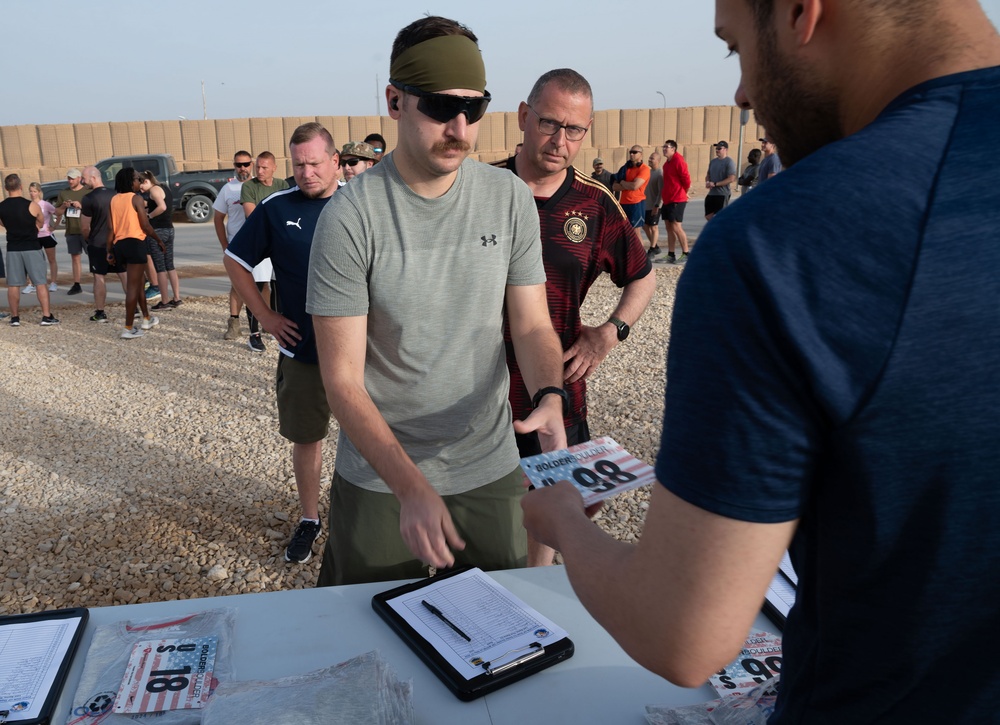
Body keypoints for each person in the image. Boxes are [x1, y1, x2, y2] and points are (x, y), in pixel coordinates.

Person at [521, 1, 1000, 722]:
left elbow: (683, 633)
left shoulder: (783, 244)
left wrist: (565, 521)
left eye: (734, 47)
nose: (742, 92)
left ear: (804, 13)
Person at [307, 15, 567, 586]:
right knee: (366, 633)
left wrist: (550, 394)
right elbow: (343, 381)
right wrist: (412, 489)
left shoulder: (509, 199)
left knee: (508, 630)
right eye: (439, 106)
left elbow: (530, 325)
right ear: (395, 101)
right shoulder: (350, 218)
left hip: (486, 461)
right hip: (382, 474)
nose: (458, 127)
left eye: (473, 109)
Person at [502, 68, 655, 566]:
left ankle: (534, 592)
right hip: (474, 388)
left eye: (574, 130)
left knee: (553, 508)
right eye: (549, 123)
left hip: (552, 386)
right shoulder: (480, 190)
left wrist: (610, 333)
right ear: (524, 117)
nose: (559, 140)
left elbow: (643, 276)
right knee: (482, 513)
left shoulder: (595, 204)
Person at [225, 122, 341, 564]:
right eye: (298, 165)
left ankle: (366, 515)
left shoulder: (363, 204)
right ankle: (309, 519)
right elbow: (235, 261)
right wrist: (267, 317)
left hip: (365, 354)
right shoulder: (277, 207)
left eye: (315, 163)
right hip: (303, 351)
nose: (307, 172)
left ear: (333, 161)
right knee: (307, 437)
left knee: (373, 437)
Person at [238, 151, 288, 350]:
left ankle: (278, 329)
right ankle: (254, 334)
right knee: (257, 288)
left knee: (278, 288)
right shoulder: (248, 187)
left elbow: (288, 212)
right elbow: (253, 216)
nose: (259, 170)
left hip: (280, 245)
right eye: (257, 166)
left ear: (274, 168)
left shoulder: (282, 185)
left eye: (264, 167)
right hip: (259, 246)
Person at [109, 168, 162, 339]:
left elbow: (111, 229)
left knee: (139, 283)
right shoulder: (136, 199)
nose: (139, 182)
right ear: (130, 181)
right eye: (137, 179)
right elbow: (145, 226)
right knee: (133, 287)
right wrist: (159, 240)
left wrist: (109, 251)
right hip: (135, 243)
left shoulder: (114, 200)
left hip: (120, 245)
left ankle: (146, 318)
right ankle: (128, 327)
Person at [0, 174, 59, 326]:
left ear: (6, 188)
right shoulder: (32, 205)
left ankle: (15, 317)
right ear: (20, 186)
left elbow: (3, 223)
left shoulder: (2, 207)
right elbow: (40, 220)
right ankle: (46, 316)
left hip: (13, 248)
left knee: (13, 284)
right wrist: (34, 227)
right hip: (32, 246)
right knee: (40, 282)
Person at [214, 151, 254, 339]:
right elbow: (218, 218)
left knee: (263, 285)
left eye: (246, 164)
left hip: (260, 245)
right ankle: (234, 324)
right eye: (239, 165)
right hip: (236, 246)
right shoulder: (228, 189)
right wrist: (225, 245)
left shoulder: (259, 185)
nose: (242, 168)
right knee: (237, 285)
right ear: (234, 166)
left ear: (251, 164)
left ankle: (264, 323)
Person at [80, 166, 125, 323]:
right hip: (117, 241)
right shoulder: (115, 195)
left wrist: (88, 239)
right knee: (124, 274)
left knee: (99, 277)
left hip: (98, 243)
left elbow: (85, 226)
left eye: (84, 178)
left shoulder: (88, 198)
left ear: (93, 178)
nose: (82, 181)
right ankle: (136, 308)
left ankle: (100, 312)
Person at [138, 171, 181, 310]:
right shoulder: (163, 188)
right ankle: (176, 298)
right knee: (170, 265)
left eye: (141, 186)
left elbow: (162, 207)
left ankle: (164, 301)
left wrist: (149, 216)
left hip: (158, 231)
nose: (141, 189)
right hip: (169, 229)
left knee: (160, 268)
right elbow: (154, 203)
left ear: (146, 181)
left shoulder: (154, 190)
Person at [53, 167, 88, 295]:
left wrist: (81, 206)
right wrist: (63, 206)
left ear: (79, 178)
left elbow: (95, 209)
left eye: (73, 178)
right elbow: (57, 212)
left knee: (94, 256)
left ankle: (98, 280)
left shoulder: (87, 191)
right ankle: (77, 284)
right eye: (69, 178)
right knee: (75, 257)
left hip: (87, 229)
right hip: (72, 229)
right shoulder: (63, 193)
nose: (70, 181)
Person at [660, 140, 691, 264]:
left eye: (666, 147)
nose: (664, 149)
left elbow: (686, 179)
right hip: (667, 199)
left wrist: (684, 191)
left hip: (677, 199)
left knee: (676, 226)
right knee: (668, 227)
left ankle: (686, 253)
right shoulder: (666, 164)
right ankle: (671, 254)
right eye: (664, 147)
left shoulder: (679, 161)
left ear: (673, 149)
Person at [28, 182, 58, 290]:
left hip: (46, 235)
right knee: (34, 261)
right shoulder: (29, 205)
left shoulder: (45, 204)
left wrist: (54, 226)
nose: (32, 194)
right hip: (35, 236)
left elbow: (57, 213)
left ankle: (53, 283)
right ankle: (32, 284)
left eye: (34, 191)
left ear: (39, 192)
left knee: (51, 259)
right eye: (31, 191)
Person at [613, 146, 649, 228]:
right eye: (630, 152)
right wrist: (628, 185)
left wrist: (622, 182)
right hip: (623, 202)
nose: (632, 154)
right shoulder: (624, 169)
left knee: (635, 232)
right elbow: (614, 186)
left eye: (634, 152)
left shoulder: (644, 169)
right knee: (624, 230)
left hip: (636, 203)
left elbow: (634, 186)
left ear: (641, 154)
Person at [704, 140, 737, 221]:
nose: (717, 150)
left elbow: (731, 178)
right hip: (712, 193)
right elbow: (708, 175)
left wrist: (715, 184)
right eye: (716, 148)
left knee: (720, 216)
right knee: (708, 216)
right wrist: (708, 182)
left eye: (719, 148)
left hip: (722, 194)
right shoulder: (713, 162)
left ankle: (724, 231)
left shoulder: (729, 162)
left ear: (725, 149)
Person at [642, 150, 664, 258]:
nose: (649, 160)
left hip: (655, 205)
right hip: (646, 204)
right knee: (645, 226)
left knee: (654, 227)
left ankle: (651, 249)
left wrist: (657, 205)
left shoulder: (660, 174)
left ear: (658, 161)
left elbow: (661, 192)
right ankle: (655, 247)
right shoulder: (648, 172)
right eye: (649, 158)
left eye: (652, 158)